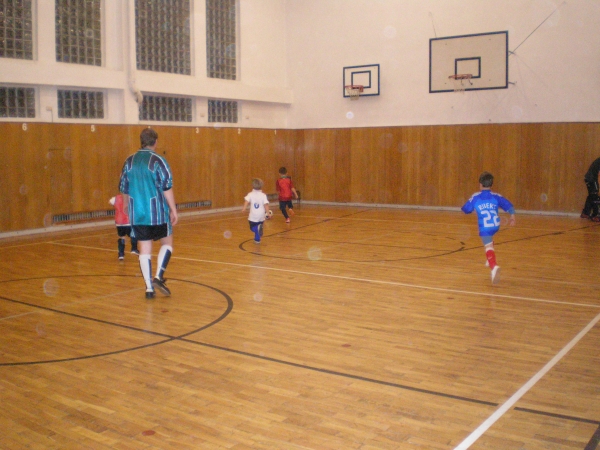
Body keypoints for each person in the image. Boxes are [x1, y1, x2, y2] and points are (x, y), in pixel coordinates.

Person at [119, 128, 178, 299]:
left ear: (141, 141)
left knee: (144, 248)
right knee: (167, 242)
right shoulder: (159, 161)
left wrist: (125, 204)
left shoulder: (129, 161)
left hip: (138, 212)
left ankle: (149, 289)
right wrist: (173, 209)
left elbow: (124, 186)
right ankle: (158, 276)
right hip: (157, 212)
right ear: (156, 142)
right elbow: (167, 187)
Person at [461, 172, 516, 285]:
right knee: (489, 240)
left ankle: (494, 267)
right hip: (496, 225)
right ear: (491, 184)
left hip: (485, 227)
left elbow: (466, 209)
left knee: (488, 246)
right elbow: (508, 205)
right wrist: (512, 216)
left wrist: (469, 209)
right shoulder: (496, 196)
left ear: (480, 184)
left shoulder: (476, 197)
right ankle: (489, 258)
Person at [109, 194, 138, 260]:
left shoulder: (115, 198)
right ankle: (134, 248)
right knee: (133, 235)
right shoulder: (131, 197)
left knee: (121, 237)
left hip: (119, 222)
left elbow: (110, 202)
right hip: (128, 221)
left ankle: (121, 254)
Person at [242, 178, 270, 243]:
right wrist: (268, 213)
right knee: (259, 228)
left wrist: (244, 208)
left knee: (252, 227)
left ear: (253, 185)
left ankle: (256, 229)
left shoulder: (250, 194)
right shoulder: (263, 195)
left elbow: (246, 201)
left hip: (253, 215)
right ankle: (257, 240)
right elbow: (266, 205)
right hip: (261, 215)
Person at [581, 157, 600, 222]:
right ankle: (596, 215)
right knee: (595, 194)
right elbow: (599, 174)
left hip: (589, 178)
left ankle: (585, 212)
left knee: (592, 195)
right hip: (592, 179)